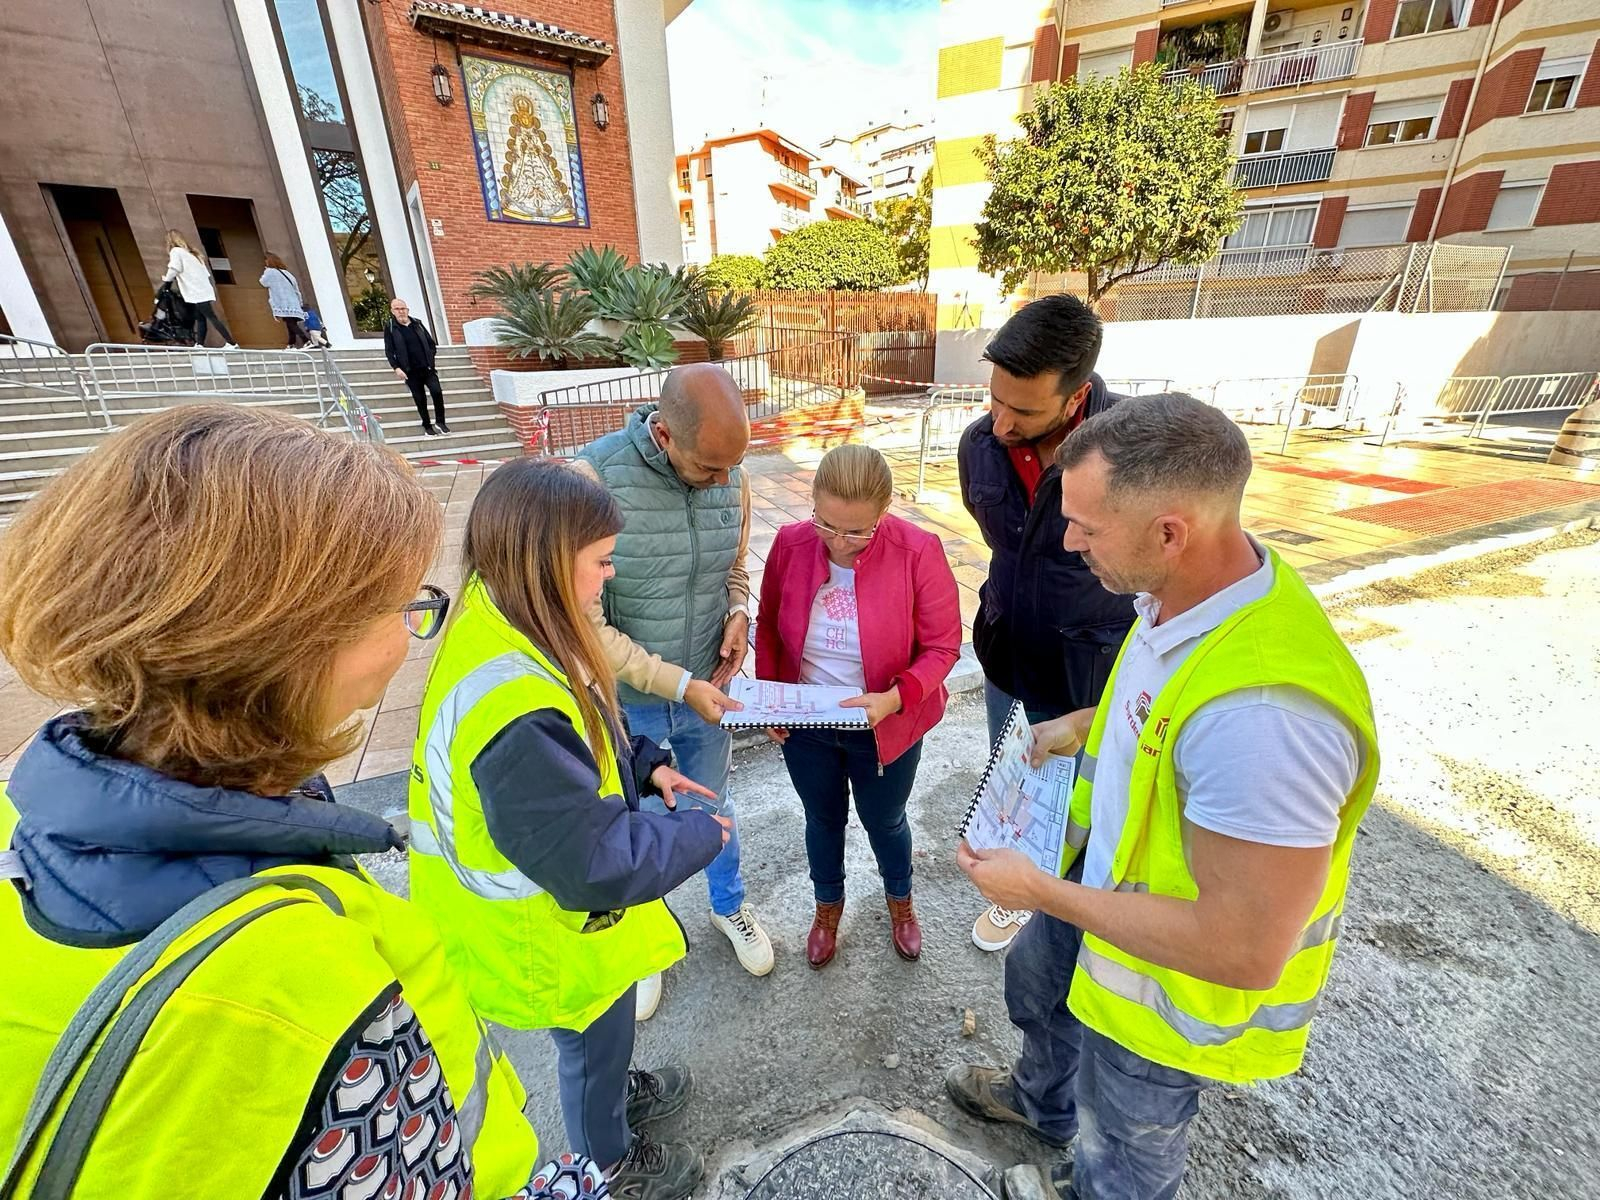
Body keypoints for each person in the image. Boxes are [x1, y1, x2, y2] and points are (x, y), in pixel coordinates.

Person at [0, 405, 556, 1199]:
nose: (409, 638)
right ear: (286, 647)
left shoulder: (18, 823)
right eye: (401, 607)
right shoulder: (294, 978)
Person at [949, 394, 1379, 1200]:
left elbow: (1243, 947)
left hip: (1162, 990)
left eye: (1085, 527)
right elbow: (1157, 712)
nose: (1067, 542)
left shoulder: (1263, 720)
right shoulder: (1175, 596)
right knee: (1039, 996)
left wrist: (1037, 889)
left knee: (1124, 1147)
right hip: (1100, 895)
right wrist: (1084, 725)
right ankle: (1041, 1108)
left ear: (1170, 531)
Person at [408, 459, 729, 1200]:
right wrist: (701, 836)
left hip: (551, 910)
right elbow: (593, 862)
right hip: (541, 932)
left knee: (604, 1039)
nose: (608, 578)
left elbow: (584, 720)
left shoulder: (514, 613)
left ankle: (614, 1096)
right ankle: (608, 1160)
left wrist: (647, 765)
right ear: (549, 562)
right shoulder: (512, 703)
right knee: (590, 1043)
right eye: (601, 561)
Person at [573, 364, 775, 1018]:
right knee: (635, 821)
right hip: (629, 699)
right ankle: (645, 938)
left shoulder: (730, 473)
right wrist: (675, 684)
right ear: (662, 433)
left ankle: (729, 907)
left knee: (714, 805)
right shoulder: (591, 482)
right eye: (709, 468)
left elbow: (733, 567)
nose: (725, 482)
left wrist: (739, 615)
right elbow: (586, 625)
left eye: (732, 468)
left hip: (705, 691)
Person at [958, 294, 1135, 953]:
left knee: (1091, 803)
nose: (1000, 423)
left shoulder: (1134, 449)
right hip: (1008, 656)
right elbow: (1006, 543)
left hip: (1090, 669)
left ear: (1075, 397)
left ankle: (1074, 905)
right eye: (994, 400)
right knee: (1019, 781)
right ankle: (1022, 880)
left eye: (1023, 410)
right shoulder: (978, 444)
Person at [756, 444, 960, 967]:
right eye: (827, 524)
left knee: (885, 820)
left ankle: (901, 903)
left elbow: (943, 647)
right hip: (811, 723)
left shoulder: (918, 550)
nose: (839, 543)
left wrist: (895, 697)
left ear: (885, 512)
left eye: (857, 531)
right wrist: (773, 699)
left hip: (886, 723)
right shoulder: (790, 543)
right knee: (822, 819)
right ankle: (827, 908)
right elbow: (772, 625)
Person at [161, 229, 237, 349]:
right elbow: (205, 273)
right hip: (202, 289)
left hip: (195, 291)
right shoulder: (193, 254)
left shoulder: (176, 251)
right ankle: (200, 344)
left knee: (210, 317)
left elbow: (174, 269)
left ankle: (231, 343)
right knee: (200, 317)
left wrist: (166, 282)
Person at [384, 297, 450, 435]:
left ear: (407, 310)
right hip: (410, 371)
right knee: (420, 398)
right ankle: (427, 426)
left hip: (427, 368)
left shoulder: (417, 324)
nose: (401, 311)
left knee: (437, 392)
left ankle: (440, 422)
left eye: (403, 308)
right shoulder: (390, 327)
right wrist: (396, 368)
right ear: (392, 311)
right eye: (397, 309)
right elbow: (389, 351)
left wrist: (430, 359)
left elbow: (431, 344)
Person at [260, 252, 309, 347]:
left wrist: (266, 270)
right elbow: (296, 289)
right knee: (290, 323)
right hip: (293, 303)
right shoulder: (288, 273)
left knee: (291, 324)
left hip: (283, 303)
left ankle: (306, 340)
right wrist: (300, 303)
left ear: (268, 261)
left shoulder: (270, 272)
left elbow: (263, 282)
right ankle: (291, 343)